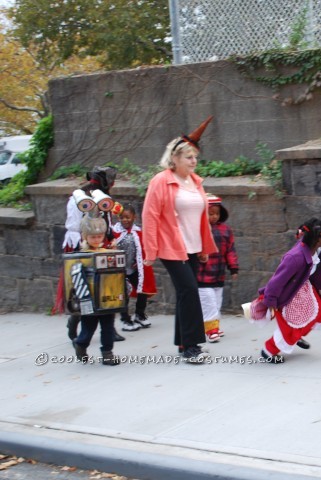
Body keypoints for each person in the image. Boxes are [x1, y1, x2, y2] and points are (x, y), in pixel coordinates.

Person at [142, 116, 218, 363]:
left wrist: (204, 247)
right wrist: (150, 251)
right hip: (171, 247)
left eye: (195, 157)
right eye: (189, 157)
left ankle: (184, 343)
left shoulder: (195, 182)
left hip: (193, 247)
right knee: (190, 291)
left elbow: (201, 217)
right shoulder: (161, 181)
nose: (194, 161)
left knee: (186, 295)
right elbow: (150, 216)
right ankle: (191, 348)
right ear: (174, 158)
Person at [52, 166, 125, 342]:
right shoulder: (79, 198)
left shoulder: (103, 199)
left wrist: (109, 240)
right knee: (83, 289)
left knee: (107, 286)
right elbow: (74, 226)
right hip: (82, 246)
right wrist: (83, 250)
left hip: (102, 245)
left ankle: (109, 328)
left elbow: (107, 221)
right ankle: (75, 319)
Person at [258, 217, 321, 364]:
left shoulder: (315, 250)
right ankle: (269, 350)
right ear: (317, 239)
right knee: (290, 327)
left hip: (304, 290)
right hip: (290, 296)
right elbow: (277, 281)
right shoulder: (295, 257)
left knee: (317, 315)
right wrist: (270, 301)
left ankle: (298, 335)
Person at [71, 212, 120, 366]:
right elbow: (75, 274)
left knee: (108, 327)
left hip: (106, 297)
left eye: (99, 236)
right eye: (93, 237)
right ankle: (80, 345)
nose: (97, 239)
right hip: (89, 298)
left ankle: (107, 353)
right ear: (85, 237)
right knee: (88, 327)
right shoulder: (81, 254)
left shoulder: (107, 252)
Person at [197, 195, 239, 342]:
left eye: (217, 213)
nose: (214, 216)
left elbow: (230, 250)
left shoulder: (226, 230)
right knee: (208, 302)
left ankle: (214, 326)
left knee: (216, 302)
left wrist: (233, 268)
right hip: (202, 275)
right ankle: (211, 330)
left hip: (219, 275)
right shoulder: (198, 229)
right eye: (210, 213)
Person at [112, 203, 157, 331]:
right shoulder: (115, 232)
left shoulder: (138, 232)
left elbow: (143, 248)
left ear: (134, 217)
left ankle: (140, 314)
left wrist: (140, 261)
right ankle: (125, 319)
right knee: (123, 294)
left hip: (135, 269)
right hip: (120, 270)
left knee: (142, 290)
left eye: (127, 217)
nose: (125, 220)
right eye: (122, 217)